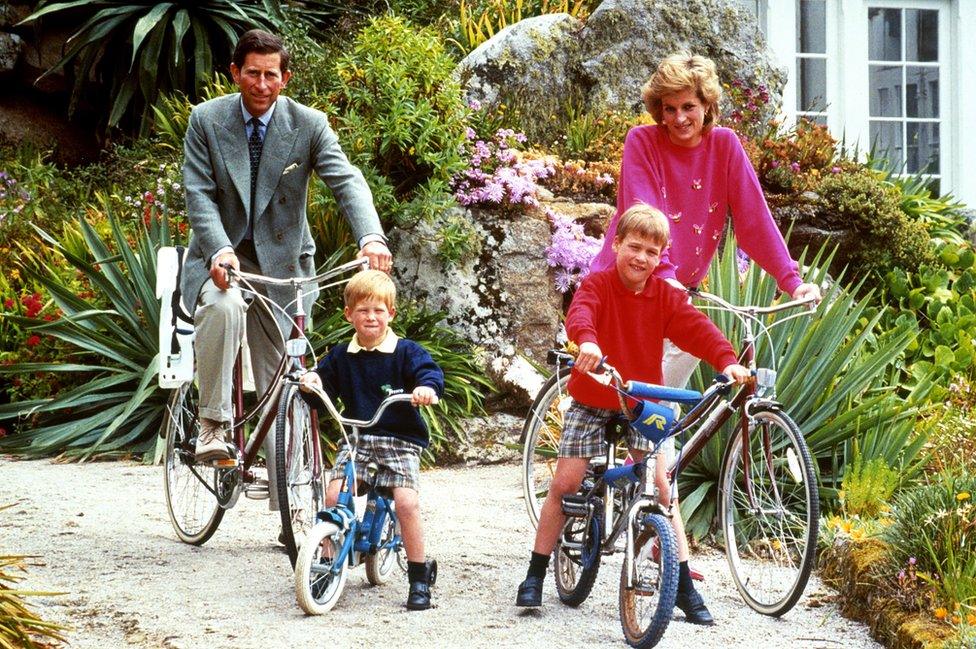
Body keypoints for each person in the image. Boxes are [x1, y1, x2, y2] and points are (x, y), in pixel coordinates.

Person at [586, 53, 824, 622]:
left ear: (707, 104)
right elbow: (642, 211)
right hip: (636, 288)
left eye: (687, 107)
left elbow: (755, 219)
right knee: (648, 429)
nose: (677, 119)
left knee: (665, 429)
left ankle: (655, 535)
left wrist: (790, 281)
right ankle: (646, 539)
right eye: (667, 109)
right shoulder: (642, 143)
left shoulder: (726, 149)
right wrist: (664, 281)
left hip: (677, 297)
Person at [180, 29, 391, 514]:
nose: (260, 83)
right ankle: (213, 423)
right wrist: (218, 250)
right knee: (225, 305)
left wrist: (371, 237)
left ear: (285, 77)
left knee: (285, 377)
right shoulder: (207, 121)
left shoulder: (309, 125)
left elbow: (347, 180)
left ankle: (289, 504)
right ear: (235, 73)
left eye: (270, 74)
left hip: (284, 265)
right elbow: (199, 195)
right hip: (223, 259)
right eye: (251, 73)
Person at [515, 204, 751, 623]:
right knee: (566, 483)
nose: (641, 258)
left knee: (662, 488)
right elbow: (580, 315)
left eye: (651, 252)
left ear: (661, 258)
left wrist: (727, 359)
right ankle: (535, 571)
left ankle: (682, 588)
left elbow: (697, 329)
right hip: (593, 396)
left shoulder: (665, 297)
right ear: (617, 245)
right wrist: (586, 342)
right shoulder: (598, 285)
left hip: (639, 403)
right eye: (634, 247)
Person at [300, 270, 445, 610]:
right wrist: (312, 383)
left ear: (391, 314)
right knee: (335, 495)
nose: (371, 317)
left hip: (399, 440)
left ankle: (419, 575)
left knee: (406, 503)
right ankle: (325, 561)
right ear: (349, 314)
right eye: (363, 310)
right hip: (358, 437)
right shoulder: (341, 355)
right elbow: (324, 387)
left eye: (379, 310)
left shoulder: (405, 352)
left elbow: (429, 372)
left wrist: (426, 388)